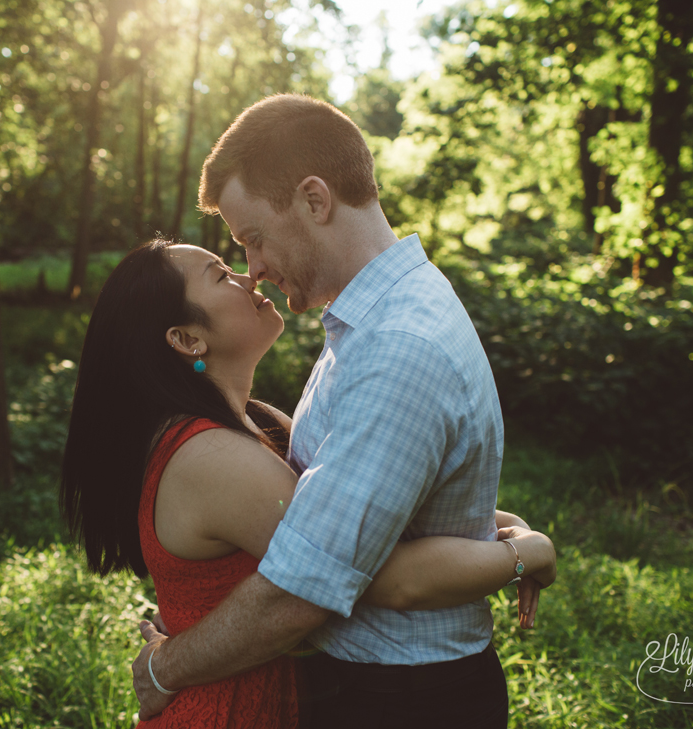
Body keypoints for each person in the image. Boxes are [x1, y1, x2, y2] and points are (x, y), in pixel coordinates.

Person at [122, 94, 555, 728]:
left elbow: (305, 589)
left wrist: (165, 668)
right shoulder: (369, 322)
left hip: (401, 702)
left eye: (253, 238)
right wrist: (497, 533)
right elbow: (368, 507)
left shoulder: (396, 347)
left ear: (315, 200)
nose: (255, 269)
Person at [61, 241, 557, 727]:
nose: (247, 276)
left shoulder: (257, 421)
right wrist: (527, 553)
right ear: (187, 339)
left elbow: (370, 511)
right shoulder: (213, 459)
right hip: (226, 711)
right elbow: (378, 573)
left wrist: (501, 523)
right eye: (221, 275)